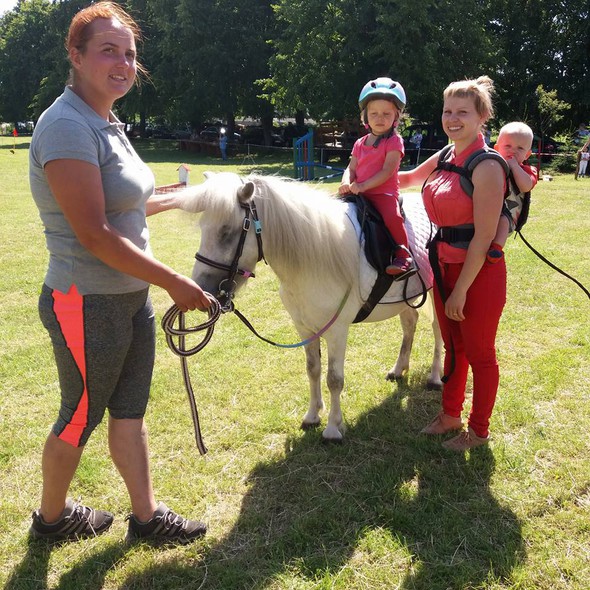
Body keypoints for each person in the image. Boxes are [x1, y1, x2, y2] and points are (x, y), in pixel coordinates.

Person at [28, 1, 211, 543]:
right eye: (108, 50)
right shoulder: (66, 126)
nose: (123, 62)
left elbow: (124, 207)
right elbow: (92, 232)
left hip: (128, 298)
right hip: (86, 300)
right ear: (76, 54)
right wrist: (173, 281)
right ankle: (51, 520)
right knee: (80, 413)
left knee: (129, 410)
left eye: (129, 53)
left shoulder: (107, 122)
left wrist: (186, 200)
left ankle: (147, 518)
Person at [399, 76, 507, 451]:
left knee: (479, 352)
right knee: (452, 345)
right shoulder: (445, 154)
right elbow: (410, 178)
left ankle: (478, 431)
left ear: (482, 118)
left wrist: (461, 290)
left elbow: (483, 236)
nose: (452, 118)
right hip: (442, 265)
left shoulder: (487, 165)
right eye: (448, 111)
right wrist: (360, 180)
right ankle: (449, 415)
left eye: (462, 112)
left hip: (477, 273)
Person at [339, 77, 415, 277]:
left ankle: (403, 254)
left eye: (386, 114)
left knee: (392, 217)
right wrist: (346, 181)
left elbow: (387, 171)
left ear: (396, 117)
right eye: (374, 113)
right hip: (357, 191)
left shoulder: (394, 141)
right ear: (365, 116)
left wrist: (363, 186)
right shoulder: (359, 143)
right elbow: (351, 167)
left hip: (382, 193)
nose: (379, 118)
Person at [488, 122, 538, 259]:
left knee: (503, 221)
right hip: (486, 211)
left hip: (508, 214)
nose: (513, 151)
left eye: (520, 148)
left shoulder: (527, 171)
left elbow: (525, 186)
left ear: (527, 155)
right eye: (508, 146)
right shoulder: (490, 165)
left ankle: (495, 250)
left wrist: (515, 167)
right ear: (497, 148)